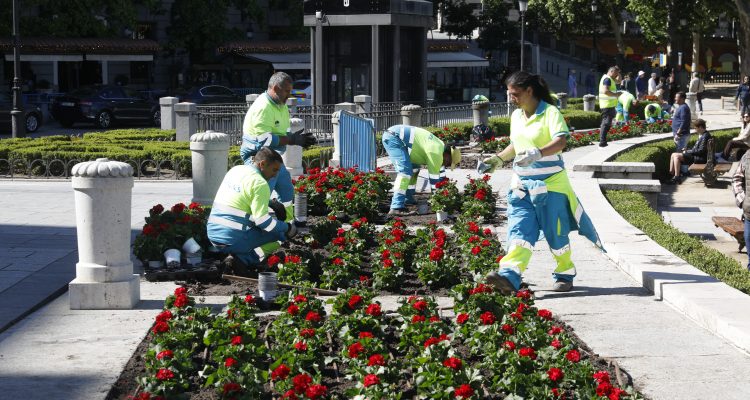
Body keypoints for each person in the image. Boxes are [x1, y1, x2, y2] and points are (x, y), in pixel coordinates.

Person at [479, 71, 602, 294]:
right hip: (522, 186)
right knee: (519, 230)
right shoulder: (517, 116)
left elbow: (561, 141)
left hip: (551, 186)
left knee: (556, 234)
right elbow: (516, 145)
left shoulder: (550, 112)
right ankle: (510, 275)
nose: (511, 99)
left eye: (515, 94)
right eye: (509, 94)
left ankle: (565, 272)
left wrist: (538, 153)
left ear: (529, 90)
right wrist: (497, 159)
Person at [240, 72, 316, 224]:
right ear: (275, 88)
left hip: (273, 158)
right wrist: (293, 139)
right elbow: (264, 140)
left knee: (286, 189)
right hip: (258, 160)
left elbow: (281, 133)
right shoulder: (263, 107)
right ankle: (254, 226)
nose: (289, 95)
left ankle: (287, 223)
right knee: (261, 194)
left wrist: (293, 138)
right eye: (287, 91)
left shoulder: (280, 105)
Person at [207, 147, 298, 275]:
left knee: (259, 229)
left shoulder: (236, 170)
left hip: (213, 235)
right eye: (274, 170)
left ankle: (236, 253)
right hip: (232, 239)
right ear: (262, 164)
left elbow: (242, 196)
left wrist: (269, 203)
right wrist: (287, 227)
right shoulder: (260, 183)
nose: (275, 175)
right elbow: (263, 222)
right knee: (279, 235)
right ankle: (242, 260)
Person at [382, 124, 461, 216]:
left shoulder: (440, 147)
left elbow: (441, 173)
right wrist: (440, 202)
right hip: (394, 137)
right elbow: (434, 180)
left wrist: (445, 190)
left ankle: (408, 198)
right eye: (448, 163)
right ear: (447, 156)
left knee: (414, 169)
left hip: (397, 136)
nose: (446, 165)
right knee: (404, 172)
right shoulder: (436, 152)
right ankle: (396, 207)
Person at [667, 119, 711, 184]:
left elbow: (701, 151)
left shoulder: (705, 136)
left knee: (676, 156)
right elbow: (698, 149)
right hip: (698, 156)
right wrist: (688, 150)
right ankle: (673, 174)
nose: (695, 130)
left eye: (696, 128)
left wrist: (688, 151)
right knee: (673, 154)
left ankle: (676, 177)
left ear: (701, 127)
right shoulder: (704, 135)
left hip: (700, 158)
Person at [732, 148, 750, 271]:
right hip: (749, 211)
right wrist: (742, 200)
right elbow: (737, 178)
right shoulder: (747, 156)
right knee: (748, 238)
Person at [598, 66, 621, 147]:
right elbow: (605, 91)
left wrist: (619, 72)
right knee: (606, 123)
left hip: (609, 105)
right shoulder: (607, 79)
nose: (617, 75)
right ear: (611, 72)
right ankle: (602, 141)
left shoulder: (610, 78)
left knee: (607, 123)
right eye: (616, 73)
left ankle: (603, 140)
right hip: (607, 105)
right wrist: (616, 94)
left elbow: (619, 81)